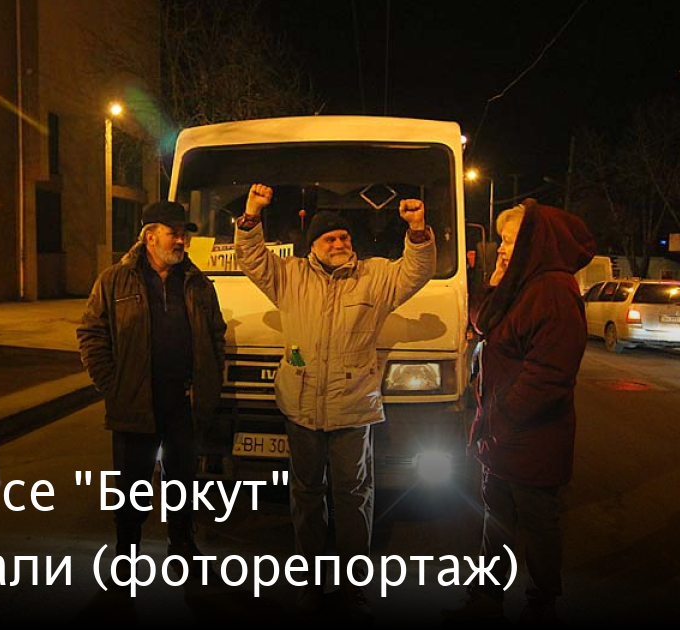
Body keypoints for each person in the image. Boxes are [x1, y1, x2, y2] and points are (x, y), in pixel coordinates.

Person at [235, 183, 436, 621]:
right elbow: (251, 258)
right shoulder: (289, 276)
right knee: (306, 496)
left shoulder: (375, 276)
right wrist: (251, 214)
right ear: (313, 246)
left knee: (353, 496)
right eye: (330, 238)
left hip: (353, 406)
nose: (340, 243)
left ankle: (353, 587)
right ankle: (308, 583)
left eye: (344, 237)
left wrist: (418, 230)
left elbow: (416, 271)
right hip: (301, 406)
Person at [442, 198, 596, 625]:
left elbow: (550, 375)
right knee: (496, 522)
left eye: (510, 240)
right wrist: (495, 279)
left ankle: (541, 603)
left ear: (534, 241)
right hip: (503, 436)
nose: (503, 248)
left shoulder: (554, 290)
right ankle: (486, 599)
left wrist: (502, 417)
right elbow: (483, 322)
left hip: (532, 438)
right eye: (503, 240)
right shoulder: (522, 282)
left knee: (538, 527)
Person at [77, 200, 227, 580]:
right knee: (132, 486)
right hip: (136, 401)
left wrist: (210, 382)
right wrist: (112, 386)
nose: (181, 241)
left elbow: (216, 335)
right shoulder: (115, 280)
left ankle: (182, 545)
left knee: (183, 481)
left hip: (184, 401)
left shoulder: (197, 283)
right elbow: (92, 334)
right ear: (149, 236)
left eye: (184, 234)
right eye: (174, 233)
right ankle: (126, 555)